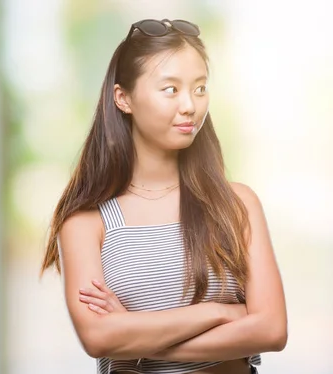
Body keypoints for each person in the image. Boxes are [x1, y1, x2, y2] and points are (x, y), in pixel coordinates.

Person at [39, 19, 287, 374]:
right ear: (123, 98)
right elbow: (98, 338)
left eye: (200, 88)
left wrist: (139, 341)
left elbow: (272, 329)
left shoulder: (237, 204)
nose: (190, 105)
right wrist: (221, 312)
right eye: (170, 89)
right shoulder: (85, 222)